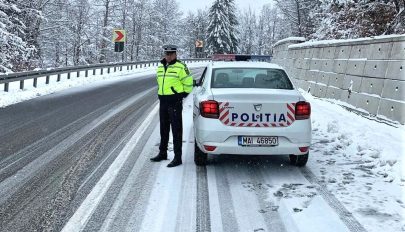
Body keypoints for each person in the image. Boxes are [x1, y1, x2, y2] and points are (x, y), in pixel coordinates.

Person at [150, 45, 193, 167]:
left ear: (175, 54)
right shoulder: (160, 67)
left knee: (176, 130)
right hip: (163, 102)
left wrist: (180, 96)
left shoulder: (181, 67)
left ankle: (177, 157)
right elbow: (160, 83)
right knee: (163, 129)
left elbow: (189, 83)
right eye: (166, 53)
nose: (168, 56)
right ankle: (162, 153)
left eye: (170, 54)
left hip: (174, 103)